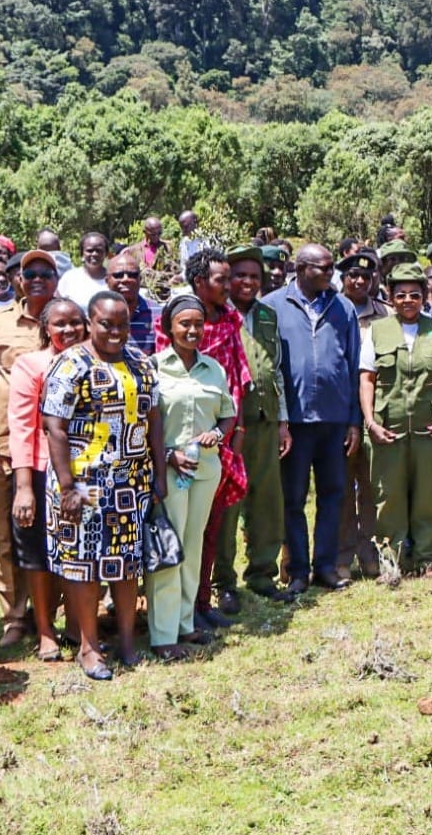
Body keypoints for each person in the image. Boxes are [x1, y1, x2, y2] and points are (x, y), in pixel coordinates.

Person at [42, 291, 166, 679]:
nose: (115, 332)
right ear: (90, 323)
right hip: (83, 483)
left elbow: (154, 421)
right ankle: (89, 647)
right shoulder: (70, 364)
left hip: (130, 481)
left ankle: (127, 642)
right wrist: (67, 488)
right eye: (106, 324)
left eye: (122, 324)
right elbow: (55, 427)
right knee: (84, 564)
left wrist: (159, 474)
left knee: (126, 563)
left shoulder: (141, 362)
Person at [155, 247, 251, 625]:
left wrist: (234, 429)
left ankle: (199, 605)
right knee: (175, 532)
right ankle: (170, 618)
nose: (230, 286)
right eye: (221, 280)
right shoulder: (169, 335)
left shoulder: (229, 322)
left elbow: (238, 382)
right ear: (199, 282)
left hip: (217, 443)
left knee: (207, 529)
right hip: (175, 451)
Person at [264, 243, 362, 594]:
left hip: (334, 420)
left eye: (332, 267)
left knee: (332, 494)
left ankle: (325, 566)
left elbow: (353, 364)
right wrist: (280, 421)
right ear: (301, 268)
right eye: (323, 267)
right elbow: (270, 366)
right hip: (295, 422)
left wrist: (354, 420)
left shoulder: (343, 307)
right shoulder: (273, 306)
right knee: (293, 498)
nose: (330, 274)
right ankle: (298, 570)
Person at [0, 249, 60, 647]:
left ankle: (54, 612)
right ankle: (14, 617)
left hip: (60, 450)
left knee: (57, 533)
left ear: (56, 279)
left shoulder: (68, 318)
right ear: (18, 280)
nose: (38, 278)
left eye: (46, 272)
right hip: (10, 447)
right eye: (31, 273)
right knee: (9, 536)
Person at [359, 262, 432, 578]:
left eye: (415, 295)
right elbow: (367, 378)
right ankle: (391, 559)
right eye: (401, 294)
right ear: (391, 297)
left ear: (424, 297)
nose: (408, 300)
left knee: (427, 496)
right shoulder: (377, 330)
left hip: (430, 429)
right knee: (388, 496)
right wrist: (370, 421)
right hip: (387, 427)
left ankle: (428, 557)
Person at [150, 295, 237, 660]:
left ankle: (185, 624)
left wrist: (217, 433)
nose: (192, 330)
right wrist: (168, 455)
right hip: (169, 470)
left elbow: (228, 414)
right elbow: (146, 422)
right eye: (184, 323)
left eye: (198, 324)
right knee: (169, 546)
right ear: (169, 326)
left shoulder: (213, 368)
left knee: (193, 544)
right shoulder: (154, 367)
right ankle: (163, 633)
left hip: (205, 469)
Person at [7, 299, 87, 662]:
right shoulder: (31, 365)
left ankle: (77, 625)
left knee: (79, 549)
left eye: (75, 322)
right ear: (46, 329)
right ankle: (44, 630)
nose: (69, 330)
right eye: (60, 324)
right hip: (41, 471)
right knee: (38, 553)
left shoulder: (96, 362)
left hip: (84, 470)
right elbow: (22, 428)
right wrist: (24, 487)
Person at [225, 246, 292, 601]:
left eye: (254, 276)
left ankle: (262, 573)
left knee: (266, 500)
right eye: (240, 275)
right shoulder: (216, 313)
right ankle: (222, 581)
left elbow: (275, 369)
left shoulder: (267, 315)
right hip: (229, 425)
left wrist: (282, 421)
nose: (248, 282)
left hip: (265, 420)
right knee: (227, 504)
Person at [336, 250, 388, 582]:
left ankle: (369, 550)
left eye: (366, 277)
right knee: (340, 485)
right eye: (353, 275)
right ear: (342, 278)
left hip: (375, 409)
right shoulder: (330, 308)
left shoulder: (385, 313)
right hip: (339, 409)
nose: (359, 281)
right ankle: (342, 554)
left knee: (371, 484)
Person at [105, 252, 155, 356]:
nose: (126, 279)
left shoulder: (158, 313)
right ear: (107, 280)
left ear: (140, 280)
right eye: (118, 275)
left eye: (132, 275)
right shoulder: (97, 315)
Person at [58, 232, 111, 310]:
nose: (94, 254)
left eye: (99, 250)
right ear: (82, 254)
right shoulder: (70, 278)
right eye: (90, 250)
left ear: (106, 254)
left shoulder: (113, 278)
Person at [134, 216, 176, 302]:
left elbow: (175, 270)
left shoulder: (168, 247)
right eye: (153, 234)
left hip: (164, 294)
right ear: (145, 232)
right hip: (142, 294)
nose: (157, 236)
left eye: (159, 233)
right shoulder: (135, 250)